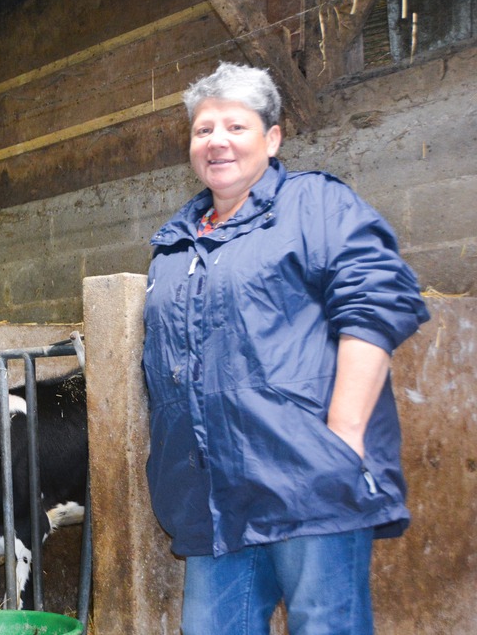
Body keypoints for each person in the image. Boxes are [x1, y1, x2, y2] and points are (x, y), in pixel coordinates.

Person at [142, 62, 430, 634]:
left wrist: (344, 435)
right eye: (203, 130)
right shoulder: (173, 248)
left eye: (236, 126)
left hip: (308, 485)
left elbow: (378, 299)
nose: (217, 141)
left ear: (272, 139)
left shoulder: (315, 206)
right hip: (211, 502)